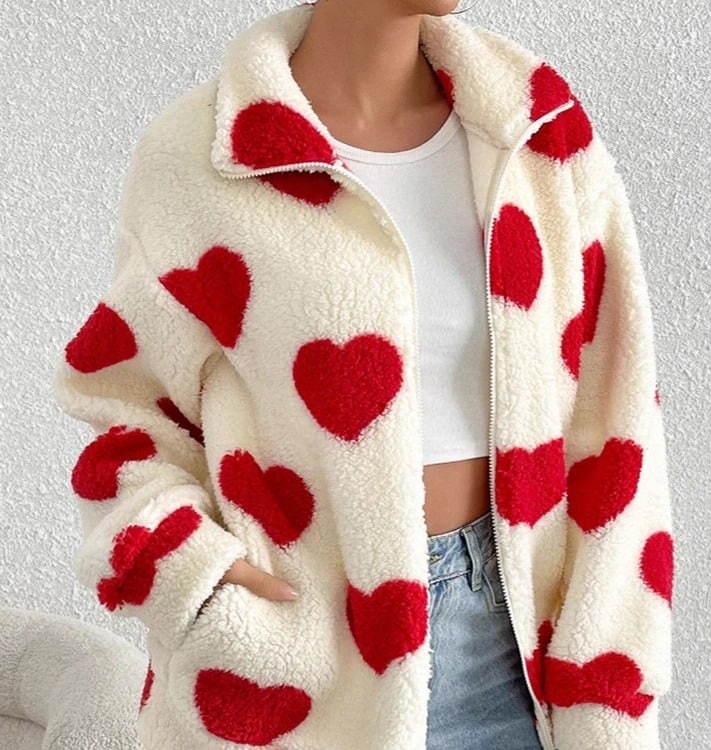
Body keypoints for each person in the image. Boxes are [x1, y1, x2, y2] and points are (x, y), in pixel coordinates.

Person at [52, 0, 674, 748]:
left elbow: (617, 412)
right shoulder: (204, 155)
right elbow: (124, 410)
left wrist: (612, 668)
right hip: (299, 668)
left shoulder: (534, 129)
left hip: (523, 654)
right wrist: (195, 574)